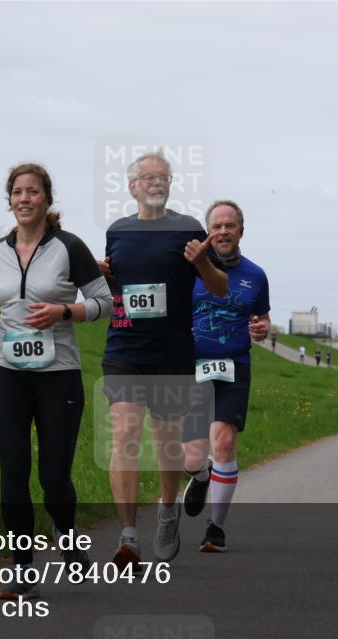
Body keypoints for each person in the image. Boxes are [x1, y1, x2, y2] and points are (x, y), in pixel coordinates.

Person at [0, 163, 113, 599]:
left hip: (59, 375)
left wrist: (64, 312)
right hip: (6, 371)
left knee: (53, 476)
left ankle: (66, 538)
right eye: (17, 192)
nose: (24, 199)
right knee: (13, 469)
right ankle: (23, 568)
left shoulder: (70, 247)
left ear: (47, 199)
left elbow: (103, 302)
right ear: (9, 200)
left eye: (33, 191)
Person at [101, 150, 228, 568]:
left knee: (167, 442)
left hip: (172, 353)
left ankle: (168, 511)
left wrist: (201, 262)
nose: (156, 183)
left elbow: (220, 286)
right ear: (132, 186)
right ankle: (128, 536)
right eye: (148, 177)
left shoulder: (187, 229)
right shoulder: (117, 231)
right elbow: (119, 287)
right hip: (124, 350)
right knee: (124, 435)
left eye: (164, 177)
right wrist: (105, 276)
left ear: (170, 185)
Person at [180, 201, 270, 553]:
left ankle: (215, 527)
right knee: (191, 455)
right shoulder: (190, 271)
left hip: (235, 365)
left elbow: (262, 318)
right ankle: (200, 476)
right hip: (194, 365)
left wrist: (262, 328)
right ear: (207, 232)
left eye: (229, 226)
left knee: (224, 441)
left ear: (240, 231)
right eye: (216, 226)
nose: (222, 232)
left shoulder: (256, 275)